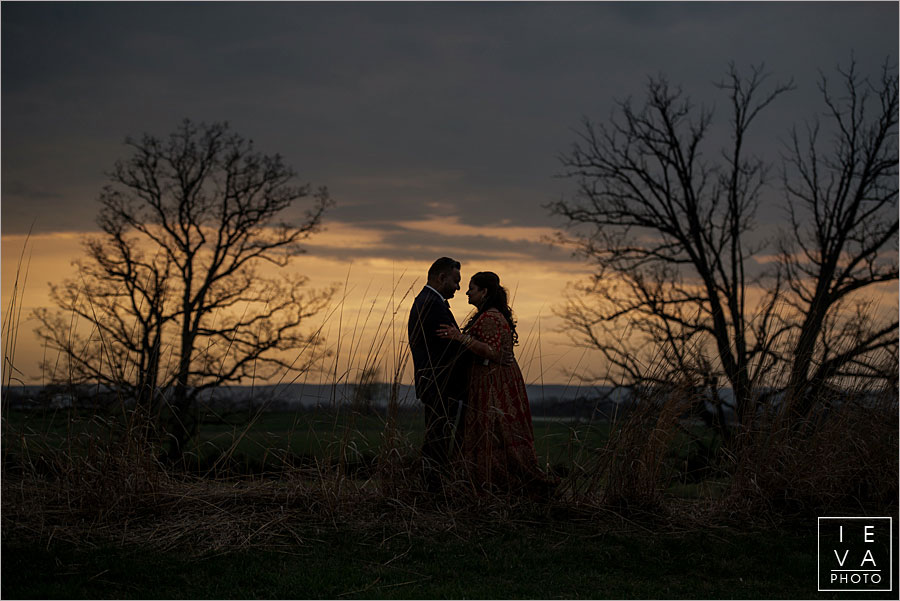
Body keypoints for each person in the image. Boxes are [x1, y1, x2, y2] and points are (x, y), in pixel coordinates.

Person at [437, 271, 556, 498]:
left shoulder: (490, 317)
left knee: (492, 431)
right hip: (492, 379)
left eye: (471, 288)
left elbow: (493, 352)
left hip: (492, 383)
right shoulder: (490, 315)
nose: (466, 292)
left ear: (484, 292)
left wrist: (459, 337)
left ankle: (496, 485)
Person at [407, 257, 471, 490]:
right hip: (441, 383)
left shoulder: (427, 301)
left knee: (437, 435)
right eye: (456, 281)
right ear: (441, 277)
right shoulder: (432, 304)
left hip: (434, 382)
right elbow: (450, 347)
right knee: (439, 437)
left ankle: (429, 486)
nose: (459, 287)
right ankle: (432, 488)